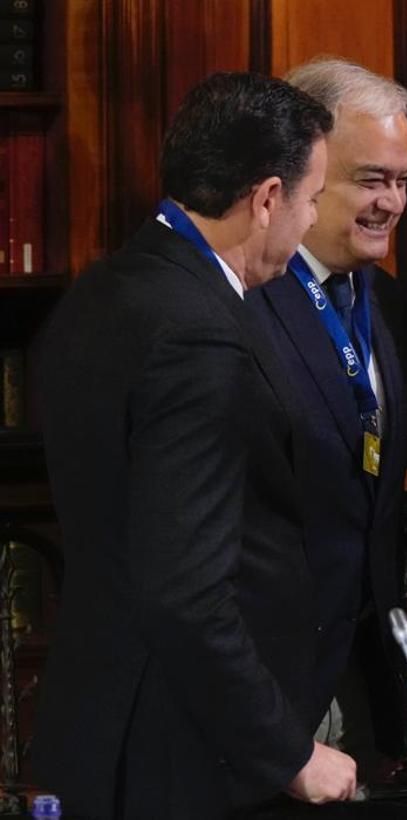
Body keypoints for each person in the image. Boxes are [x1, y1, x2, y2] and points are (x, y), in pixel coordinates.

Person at [30, 72, 357, 817]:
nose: (309, 223)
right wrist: (290, 750)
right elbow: (185, 592)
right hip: (178, 753)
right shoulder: (198, 333)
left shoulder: (105, 287)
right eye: (310, 200)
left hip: (104, 723)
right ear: (268, 198)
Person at [248, 58, 407, 787]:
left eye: (403, 180)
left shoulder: (381, 302)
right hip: (271, 692)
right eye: (371, 179)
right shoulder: (245, 303)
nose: (392, 202)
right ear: (304, 171)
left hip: (361, 679)